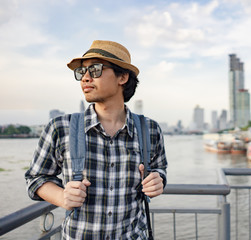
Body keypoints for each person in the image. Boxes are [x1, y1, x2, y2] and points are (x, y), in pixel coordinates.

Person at [25, 40, 168, 239]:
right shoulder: (60, 128)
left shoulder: (149, 129)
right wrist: (62, 197)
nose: (85, 78)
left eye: (95, 69)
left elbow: (160, 168)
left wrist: (158, 179)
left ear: (123, 77)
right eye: (81, 72)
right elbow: (35, 178)